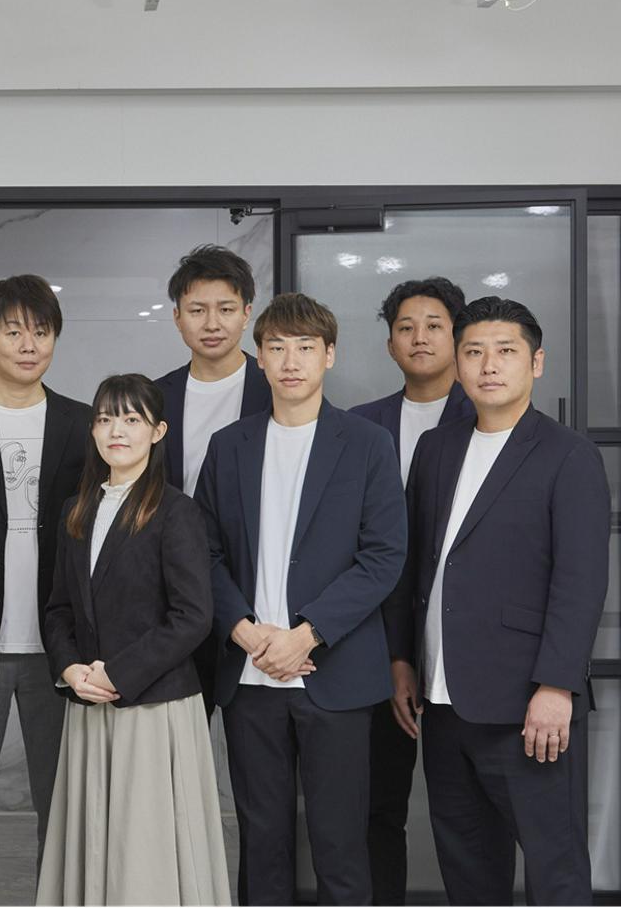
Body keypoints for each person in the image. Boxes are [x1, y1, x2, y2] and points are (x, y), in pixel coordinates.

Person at [384, 297, 608, 906]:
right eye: (474, 352)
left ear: (536, 363)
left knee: (555, 869)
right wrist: (402, 659)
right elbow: (414, 564)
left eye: (505, 351)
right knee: (469, 873)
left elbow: (581, 581)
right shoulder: (437, 448)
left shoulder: (568, 455)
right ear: (457, 364)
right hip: (443, 702)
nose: (488, 365)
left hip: (527, 707)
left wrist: (556, 686)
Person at [195, 292, 407, 905]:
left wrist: (306, 634)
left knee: (340, 842)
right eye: (277, 347)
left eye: (306, 348)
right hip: (249, 676)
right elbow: (202, 552)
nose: (291, 361)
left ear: (329, 355)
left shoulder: (367, 444)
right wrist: (242, 629)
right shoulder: (229, 445)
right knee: (261, 839)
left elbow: (383, 556)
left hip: (334, 674)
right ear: (259, 357)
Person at [36, 373, 229, 906]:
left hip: (153, 706)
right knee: (95, 844)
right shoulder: (76, 510)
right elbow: (57, 609)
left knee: (144, 849)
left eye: (130, 419)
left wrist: (117, 674)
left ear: (158, 431)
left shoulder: (176, 511)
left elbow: (193, 616)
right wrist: (71, 670)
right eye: (104, 419)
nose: (116, 430)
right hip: (88, 703)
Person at [0, 274, 89, 905]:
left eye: (41, 331)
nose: (28, 345)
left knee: (63, 814)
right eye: (13, 331)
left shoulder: (87, 424)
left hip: (62, 649)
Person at [347, 276, 475, 906]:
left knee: (471, 812)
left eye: (434, 325)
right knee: (377, 804)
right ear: (390, 344)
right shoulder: (358, 424)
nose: (419, 337)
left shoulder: (487, 416)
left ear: (457, 337)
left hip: (463, 642)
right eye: (405, 327)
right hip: (373, 640)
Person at [153, 244, 271, 720]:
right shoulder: (155, 398)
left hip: (257, 589)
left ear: (247, 313)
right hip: (173, 593)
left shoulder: (277, 388)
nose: (212, 323)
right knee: (180, 737)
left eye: (225, 309)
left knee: (257, 741)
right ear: (177, 317)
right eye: (197, 310)